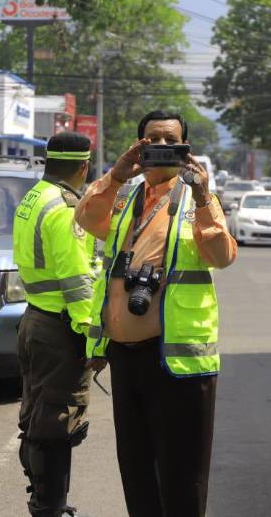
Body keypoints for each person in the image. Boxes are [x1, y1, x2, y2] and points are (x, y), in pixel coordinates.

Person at [75, 111, 237, 517]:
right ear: (139, 145)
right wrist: (115, 175)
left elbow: (222, 257)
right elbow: (86, 219)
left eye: (171, 140)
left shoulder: (199, 200)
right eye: (152, 139)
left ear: (186, 149)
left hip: (178, 362)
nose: (162, 147)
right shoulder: (126, 197)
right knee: (137, 471)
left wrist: (202, 198)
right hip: (126, 358)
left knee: (182, 477)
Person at [12, 132, 104, 517]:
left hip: (35, 317)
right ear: (84, 166)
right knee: (58, 419)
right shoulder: (67, 207)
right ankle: (49, 506)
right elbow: (76, 280)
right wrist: (93, 340)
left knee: (37, 413)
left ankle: (43, 498)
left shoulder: (34, 196)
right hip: (61, 328)